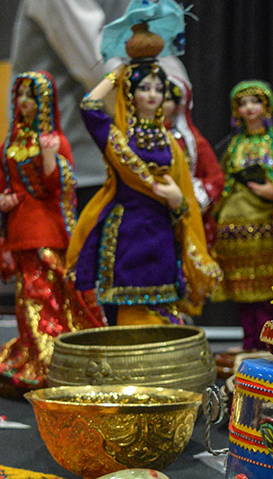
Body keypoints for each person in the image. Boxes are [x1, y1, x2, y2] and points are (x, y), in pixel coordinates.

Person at [65, 24, 220, 326]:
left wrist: (177, 201)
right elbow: (90, 106)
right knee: (125, 310)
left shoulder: (170, 143)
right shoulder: (118, 135)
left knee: (162, 305)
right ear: (130, 91)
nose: (152, 95)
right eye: (144, 87)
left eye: (159, 89)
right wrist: (118, 73)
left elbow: (182, 191)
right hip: (126, 230)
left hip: (160, 230)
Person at [0, 71, 106, 398]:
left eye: (32, 96)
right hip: (21, 230)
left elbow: (61, 188)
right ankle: (33, 355)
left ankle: (49, 361)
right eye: (20, 95)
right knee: (26, 299)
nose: (24, 102)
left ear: (45, 102)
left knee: (48, 296)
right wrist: (0, 202)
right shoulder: (8, 146)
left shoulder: (56, 142)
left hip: (48, 230)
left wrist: (50, 157)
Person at [10, 0, 194, 212]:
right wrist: (161, 103)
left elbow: (157, 44)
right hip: (71, 175)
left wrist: (174, 94)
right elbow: (97, 66)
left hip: (126, 166)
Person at [213, 80, 273, 350]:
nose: (249, 108)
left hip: (265, 223)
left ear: (266, 106)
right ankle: (249, 342)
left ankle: (269, 343)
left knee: (268, 289)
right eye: (242, 103)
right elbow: (223, 180)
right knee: (242, 291)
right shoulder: (233, 145)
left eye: (255, 102)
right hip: (234, 226)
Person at [163, 75, 223, 251]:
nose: (157, 101)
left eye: (167, 99)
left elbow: (216, 178)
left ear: (177, 105)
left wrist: (193, 199)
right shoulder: (138, 137)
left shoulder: (191, 141)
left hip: (186, 214)